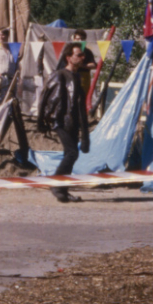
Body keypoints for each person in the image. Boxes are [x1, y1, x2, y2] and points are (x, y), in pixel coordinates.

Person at [38, 42, 91, 203]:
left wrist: (84, 133)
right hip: (60, 121)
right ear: (69, 57)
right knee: (72, 153)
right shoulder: (59, 74)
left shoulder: (77, 76)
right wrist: (46, 120)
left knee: (71, 154)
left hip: (72, 121)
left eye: (83, 55)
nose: (82, 58)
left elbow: (80, 105)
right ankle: (56, 185)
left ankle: (63, 190)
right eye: (79, 55)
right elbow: (48, 99)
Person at [69, 29, 98, 94]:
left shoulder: (87, 52)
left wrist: (82, 65)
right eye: (78, 39)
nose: (80, 41)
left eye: (82, 39)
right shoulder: (69, 50)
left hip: (83, 78)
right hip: (70, 77)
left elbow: (93, 65)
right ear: (74, 39)